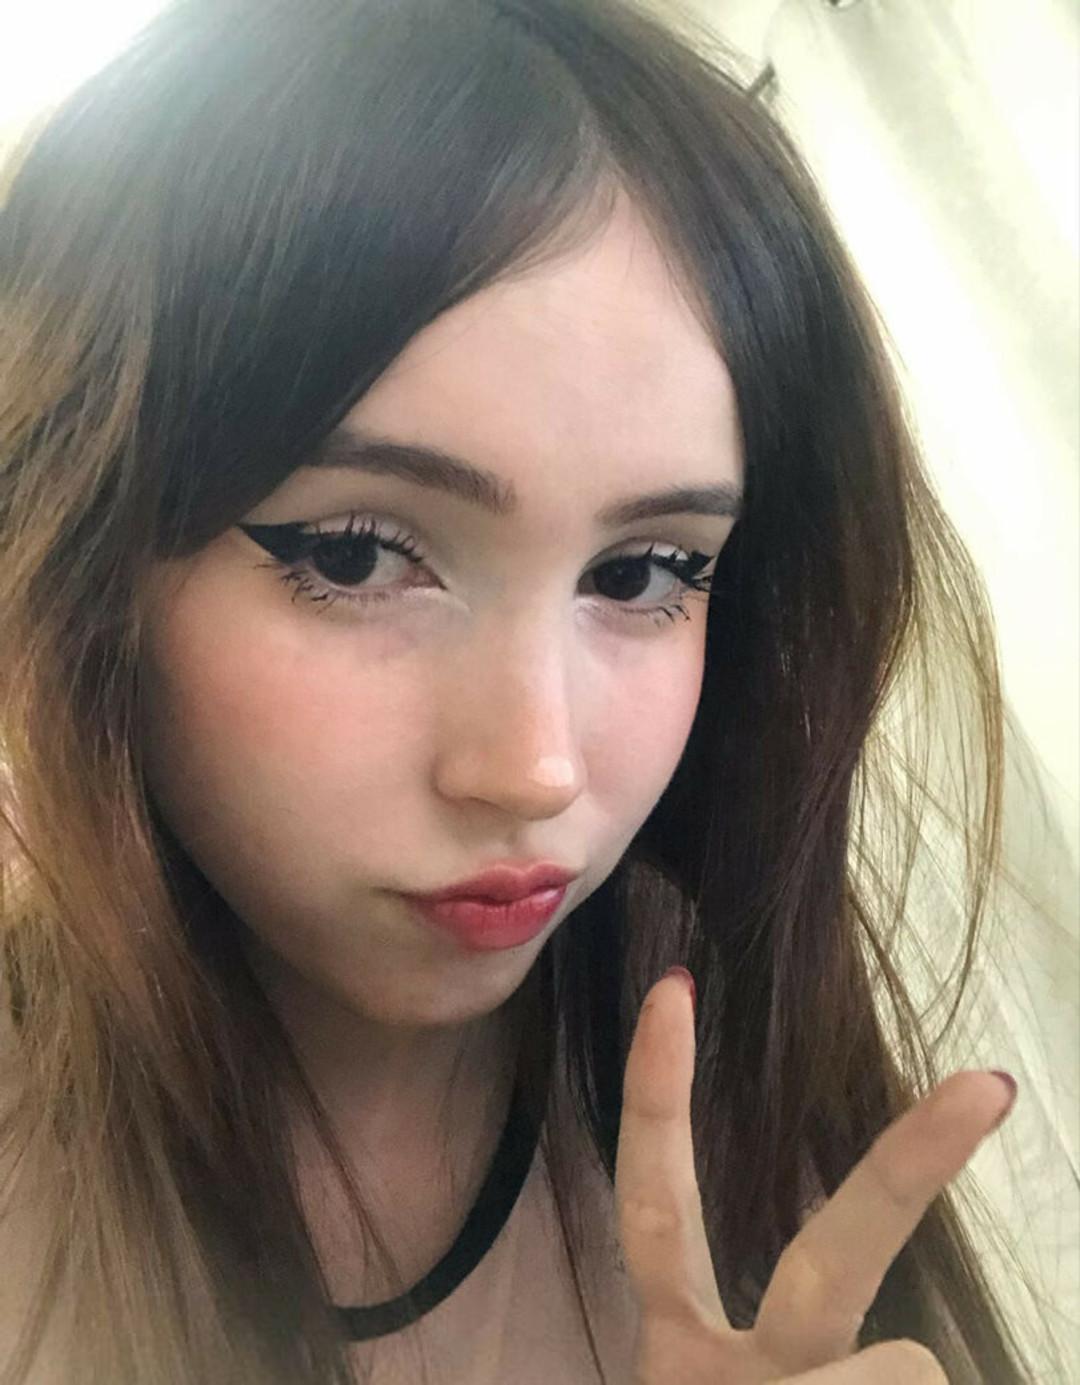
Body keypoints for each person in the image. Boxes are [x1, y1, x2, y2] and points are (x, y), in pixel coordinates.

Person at [0, 0, 1048, 1381]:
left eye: (644, 571)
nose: (538, 767)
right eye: (355, 554)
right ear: (80, 556)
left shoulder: (708, 1023)